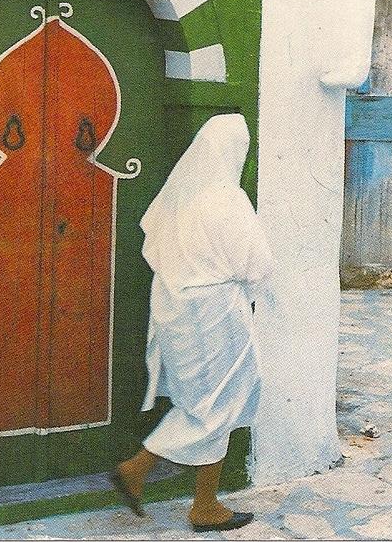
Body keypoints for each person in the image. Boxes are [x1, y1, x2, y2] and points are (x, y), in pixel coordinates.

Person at [110, 113, 273, 532]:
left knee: (205, 402)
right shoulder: (228, 200)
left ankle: (167, 482)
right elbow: (256, 264)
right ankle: (187, 496)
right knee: (220, 402)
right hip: (216, 311)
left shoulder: (178, 199)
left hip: (175, 305)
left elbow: (153, 245)